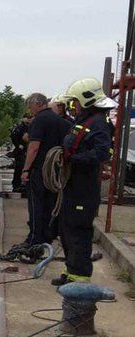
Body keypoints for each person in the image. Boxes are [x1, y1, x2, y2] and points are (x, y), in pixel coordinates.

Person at [51, 78, 115, 286]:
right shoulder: (84, 121)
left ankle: (79, 278)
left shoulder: (98, 123)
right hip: (73, 184)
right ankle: (71, 271)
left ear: (86, 100)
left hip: (84, 187)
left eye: (75, 101)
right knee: (66, 229)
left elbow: (101, 153)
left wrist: (73, 159)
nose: (73, 105)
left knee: (78, 231)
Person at [20, 92, 71, 255]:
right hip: (54, 172)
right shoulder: (62, 122)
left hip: (39, 170)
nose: (30, 109)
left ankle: (35, 239)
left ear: (37, 104)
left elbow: (34, 147)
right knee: (51, 204)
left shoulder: (39, 120)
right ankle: (48, 236)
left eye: (30, 106)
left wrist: (26, 169)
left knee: (36, 205)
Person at [9, 112, 33, 193]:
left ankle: (23, 185)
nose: (29, 120)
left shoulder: (29, 127)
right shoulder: (20, 127)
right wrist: (18, 145)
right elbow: (14, 136)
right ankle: (17, 185)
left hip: (27, 150)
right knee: (19, 168)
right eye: (28, 118)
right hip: (20, 151)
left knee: (25, 168)